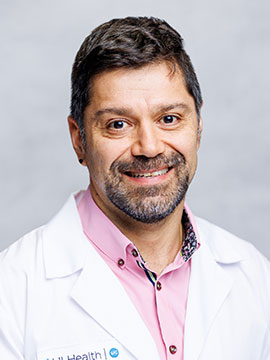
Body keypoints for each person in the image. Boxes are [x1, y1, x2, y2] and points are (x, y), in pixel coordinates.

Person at [0, 16, 269, 360]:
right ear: (78, 139)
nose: (149, 147)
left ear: (198, 126)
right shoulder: (12, 290)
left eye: (169, 119)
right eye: (118, 124)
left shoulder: (254, 275)